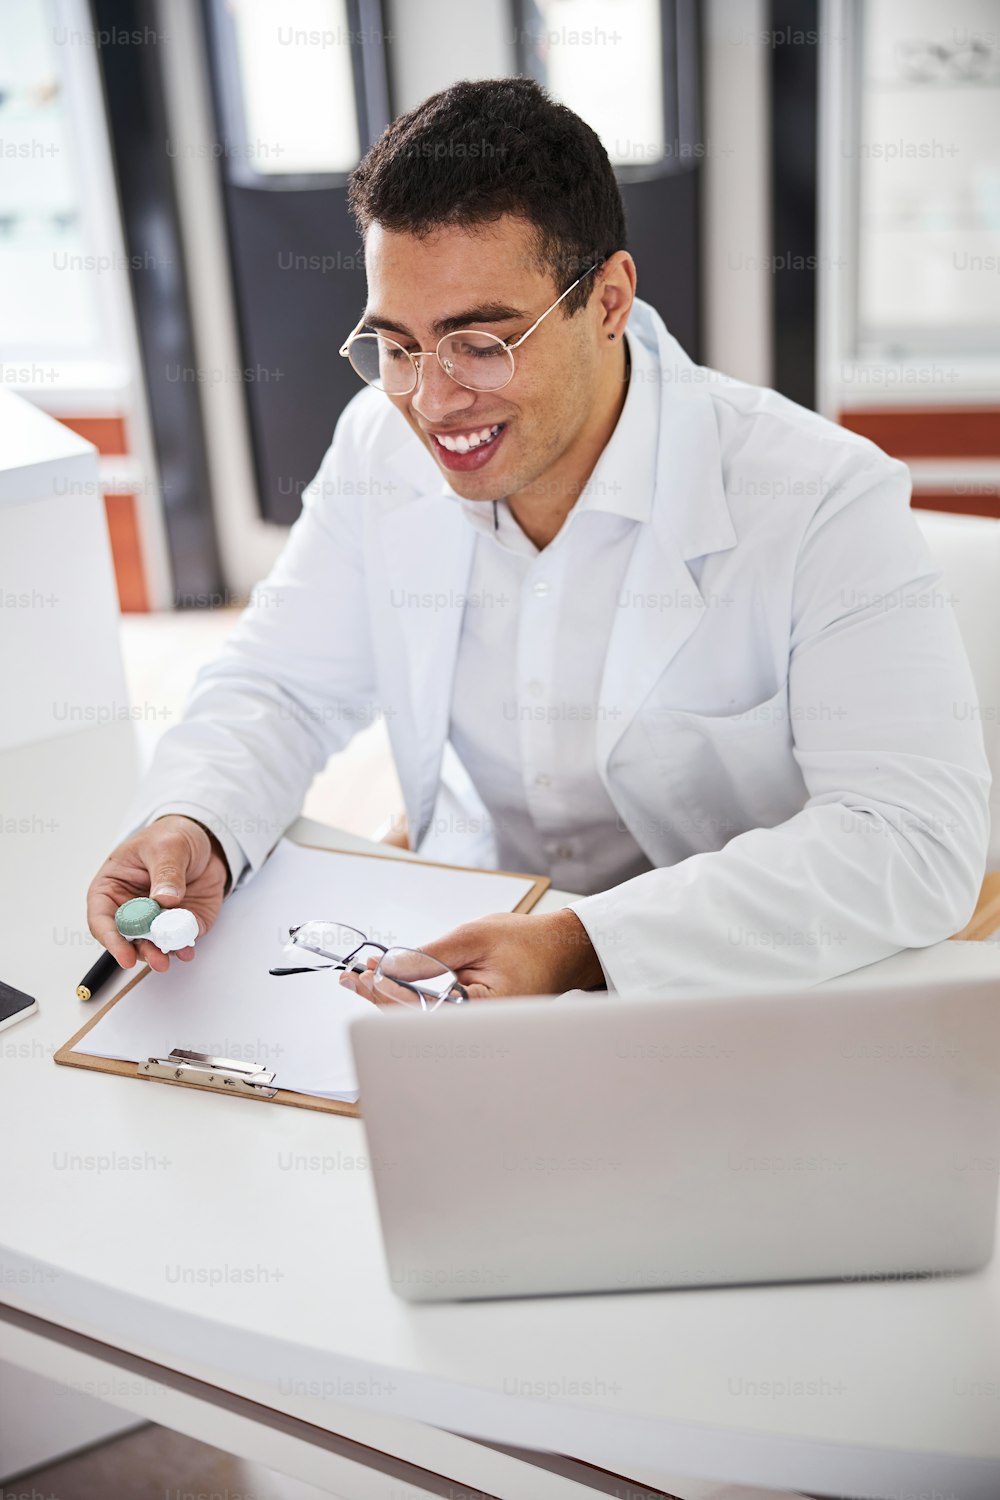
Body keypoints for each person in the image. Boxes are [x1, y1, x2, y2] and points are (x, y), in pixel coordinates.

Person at [86, 77, 990, 1001]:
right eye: (397, 346)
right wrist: (194, 819)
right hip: (464, 951)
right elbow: (280, 685)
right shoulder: (376, 444)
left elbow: (914, 841)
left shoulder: (819, 499)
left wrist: (580, 946)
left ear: (608, 301)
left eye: (482, 343)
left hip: (736, 987)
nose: (431, 403)